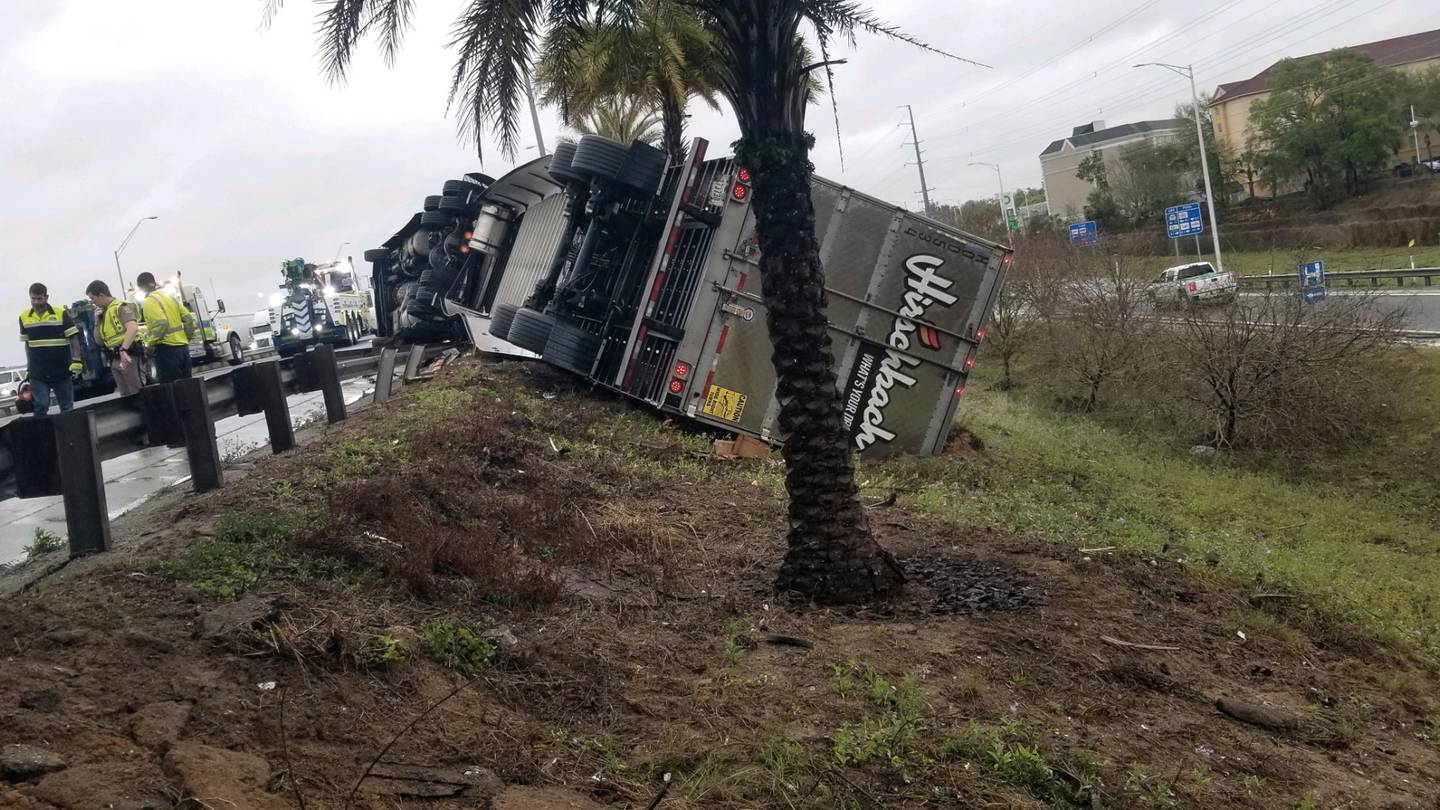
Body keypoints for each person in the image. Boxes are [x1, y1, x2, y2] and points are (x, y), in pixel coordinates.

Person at [19, 282, 84, 415]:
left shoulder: (60, 313)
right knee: (41, 406)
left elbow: (74, 338)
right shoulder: (24, 317)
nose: (36, 302)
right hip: (38, 372)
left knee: (67, 407)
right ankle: (41, 434)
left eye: (39, 298)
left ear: (46, 297)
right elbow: (27, 345)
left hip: (61, 369)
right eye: (33, 298)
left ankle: (69, 434)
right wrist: (28, 367)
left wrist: (77, 360)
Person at [84, 280, 144, 396]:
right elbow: (99, 341)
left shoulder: (120, 307)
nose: (92, 302)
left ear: (101, 295)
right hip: (114, 358)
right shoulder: (103, 314)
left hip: (127, 355)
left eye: (93, 299)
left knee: (137, 391)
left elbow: (132, 328)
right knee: (125, 395)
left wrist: (123, 349)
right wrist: (97, 322)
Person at [135, 271, 195, 383]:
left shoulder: (149, 301)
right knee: (188, 387)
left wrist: (150, 344)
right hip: (183, 349)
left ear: (141, 288)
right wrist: (187, 337)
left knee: (172, 389)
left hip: (167, 350)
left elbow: (161, 323)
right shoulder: (170, 297)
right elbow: (188, 318)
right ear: (153, 283)